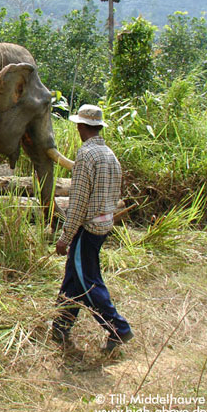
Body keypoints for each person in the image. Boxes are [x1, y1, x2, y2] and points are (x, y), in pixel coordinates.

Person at [52, 104, 133, 354]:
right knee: (74, 278)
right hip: (104, 225)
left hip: (87, 229)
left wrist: (65, 238)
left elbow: (77, 204)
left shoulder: (86, 156)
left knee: (88, 282)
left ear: (80, 127)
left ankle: (118, 328)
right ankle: (60, 325)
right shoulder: (110, 155)